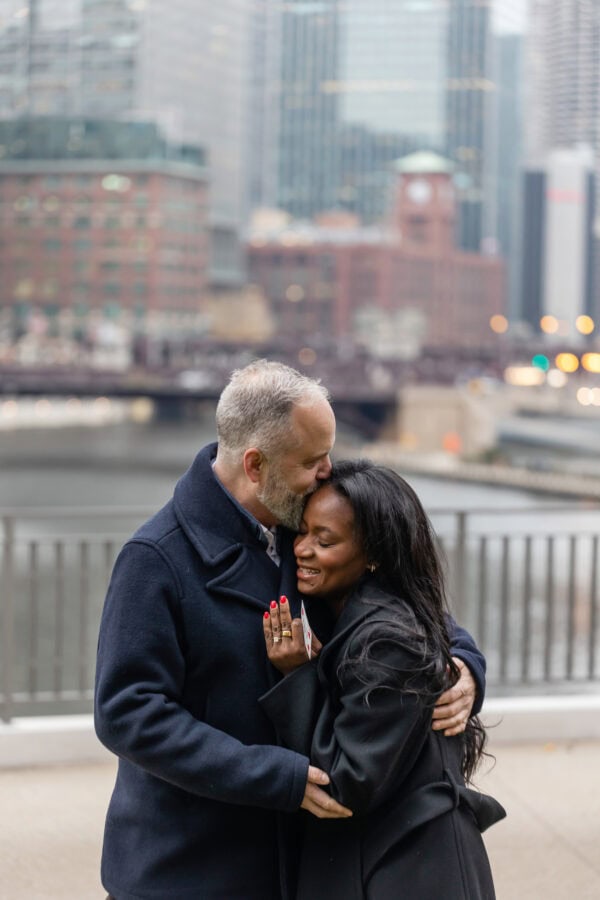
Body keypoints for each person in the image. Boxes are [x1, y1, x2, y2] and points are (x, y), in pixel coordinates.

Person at [94, 359, 486, 900]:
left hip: (291, 865)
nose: (328, 471)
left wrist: (465, 664)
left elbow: (406, 606)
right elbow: (127, 712)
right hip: (186, 870)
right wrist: (276, 775)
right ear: (256, 465)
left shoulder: (302, 531)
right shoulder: (155, 560)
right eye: (312, 460)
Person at [260, 459, 505, 899]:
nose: (302, 549)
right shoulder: (367, 613)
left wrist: (297, 676)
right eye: (303, 532)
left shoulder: (387, 639)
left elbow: (346, 781)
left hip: (410, 872)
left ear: (373, 556)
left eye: (325, 539)